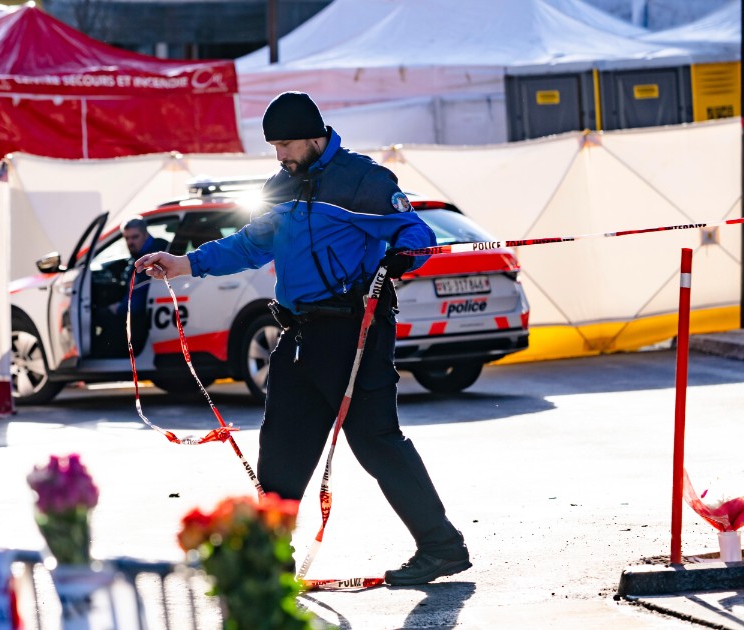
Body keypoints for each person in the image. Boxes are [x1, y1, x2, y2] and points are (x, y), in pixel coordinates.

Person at [134, 91, 470, 585]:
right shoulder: (282, 184)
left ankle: (441, 547)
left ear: (316, 136)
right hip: (297, 335)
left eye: (287, 144)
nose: (280, 155)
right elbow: (251, 244)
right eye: (274, 146)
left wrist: (403, 256)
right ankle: (272, 563)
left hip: (354, 333)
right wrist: (185, 263)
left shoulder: (362, 180)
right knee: (282, 447)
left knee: (375, 442)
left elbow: (417, 235)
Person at [95, 218, 170, 355]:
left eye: (135, 237)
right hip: (146, 314)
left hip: (143, 317)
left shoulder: (153, 257)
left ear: (146, 234)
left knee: (97, 315)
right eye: (127, 238)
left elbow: (136, 300)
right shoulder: (140, 255)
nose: (130, 242)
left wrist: (117, 308)